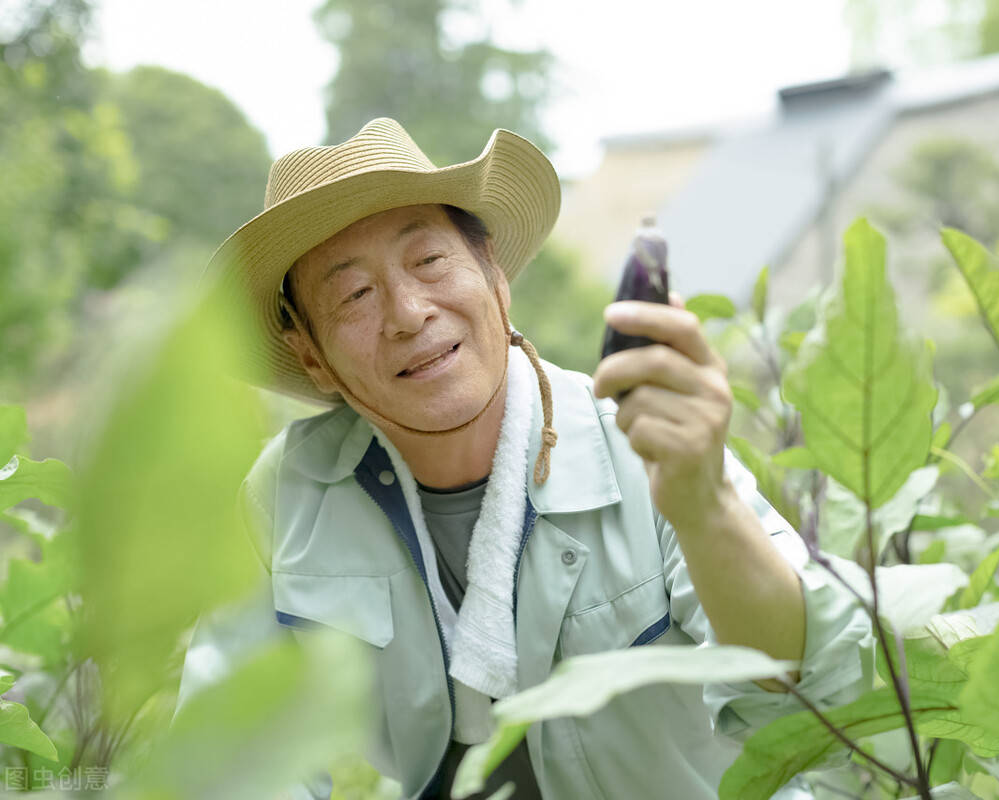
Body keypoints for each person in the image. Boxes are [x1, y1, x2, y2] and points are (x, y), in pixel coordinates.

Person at [175, 118, 874, 799]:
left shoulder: (640, 444)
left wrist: (705, 507)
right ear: (311, 357)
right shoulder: (285, 495)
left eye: (428, 261)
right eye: (354, 294)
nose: (409, 312)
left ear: (495, 275)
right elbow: (229, 759)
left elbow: (816, 687)